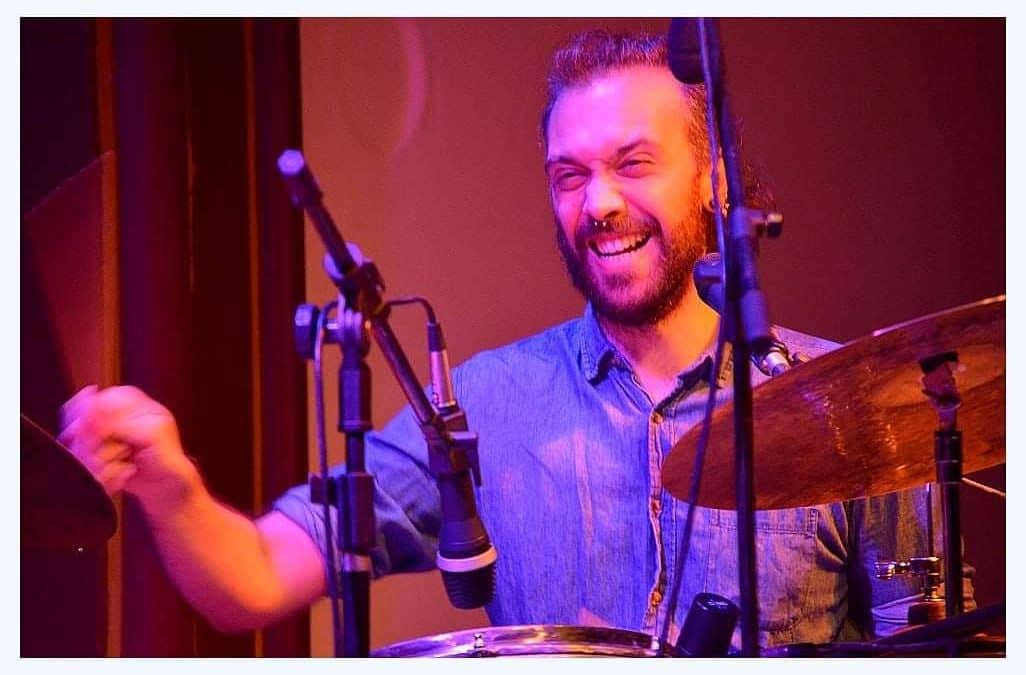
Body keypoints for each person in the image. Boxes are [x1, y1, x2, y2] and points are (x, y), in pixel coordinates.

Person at [58, 30, 963, 652]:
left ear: (714, 180)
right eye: (569, 175)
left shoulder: (852, 402)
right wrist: (170, 483)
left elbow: (931, 651)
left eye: (633, 163)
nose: (598, 203)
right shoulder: (483, 405)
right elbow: (255, 576)